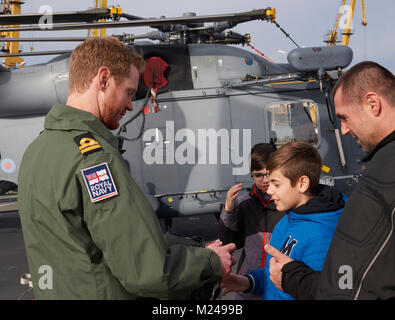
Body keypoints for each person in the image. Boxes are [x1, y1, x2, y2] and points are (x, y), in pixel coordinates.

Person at [17, 37, 236, 300]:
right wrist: (210, 261)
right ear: (103, 79)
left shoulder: (37, 150)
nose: (131, 105)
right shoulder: (94, 159)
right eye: (129, 92)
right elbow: (147, 272)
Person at [265, 61, 395, 300]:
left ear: (373, 104)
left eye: (345, 118)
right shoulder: (383, 166)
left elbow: (355, 284)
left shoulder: (387, 172)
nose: (343, 130)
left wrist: (295, 279)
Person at [220, 141, 347, 300]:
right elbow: (275, 277)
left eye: (276, 184)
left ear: (302, 184)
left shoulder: (320, 237)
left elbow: (321, 293)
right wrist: (248, 282)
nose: (270, 190)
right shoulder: (287, 219)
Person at [219, 143, 285, 299]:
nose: (264, 180)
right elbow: (229, 241)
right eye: (258, 175)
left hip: (279, 283)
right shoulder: (244, 203)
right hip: (248, 284)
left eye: (268, 174)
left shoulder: (286, 202)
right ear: (251, 175)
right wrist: (229, 209)